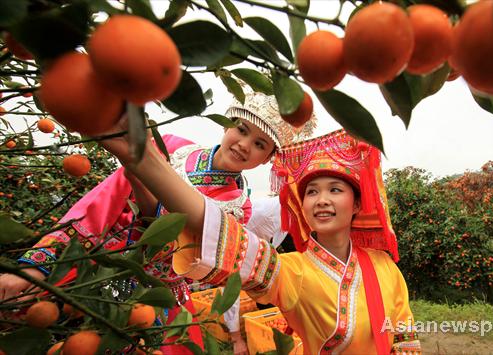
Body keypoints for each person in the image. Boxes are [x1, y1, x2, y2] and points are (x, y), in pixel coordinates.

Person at [0, 90, 315, 354]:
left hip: (150, 297)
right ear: (226, 126)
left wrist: (138, 166)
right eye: (242, 130)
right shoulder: (173, 145)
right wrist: (37, 265)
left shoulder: (237, 208)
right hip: (91, 260)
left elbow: (164, 240)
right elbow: (102, 200)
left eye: (260, 144)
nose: (245, 144)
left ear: (267, 159)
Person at [99, 122, 421, 354]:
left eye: (335, 190)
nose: (321, 200)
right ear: (301, 206)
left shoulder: (386, 268)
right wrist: (140, 157)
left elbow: (405, 339)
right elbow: (213, 226)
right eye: (311, 192)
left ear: (358, 206)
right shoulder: (291, 271)